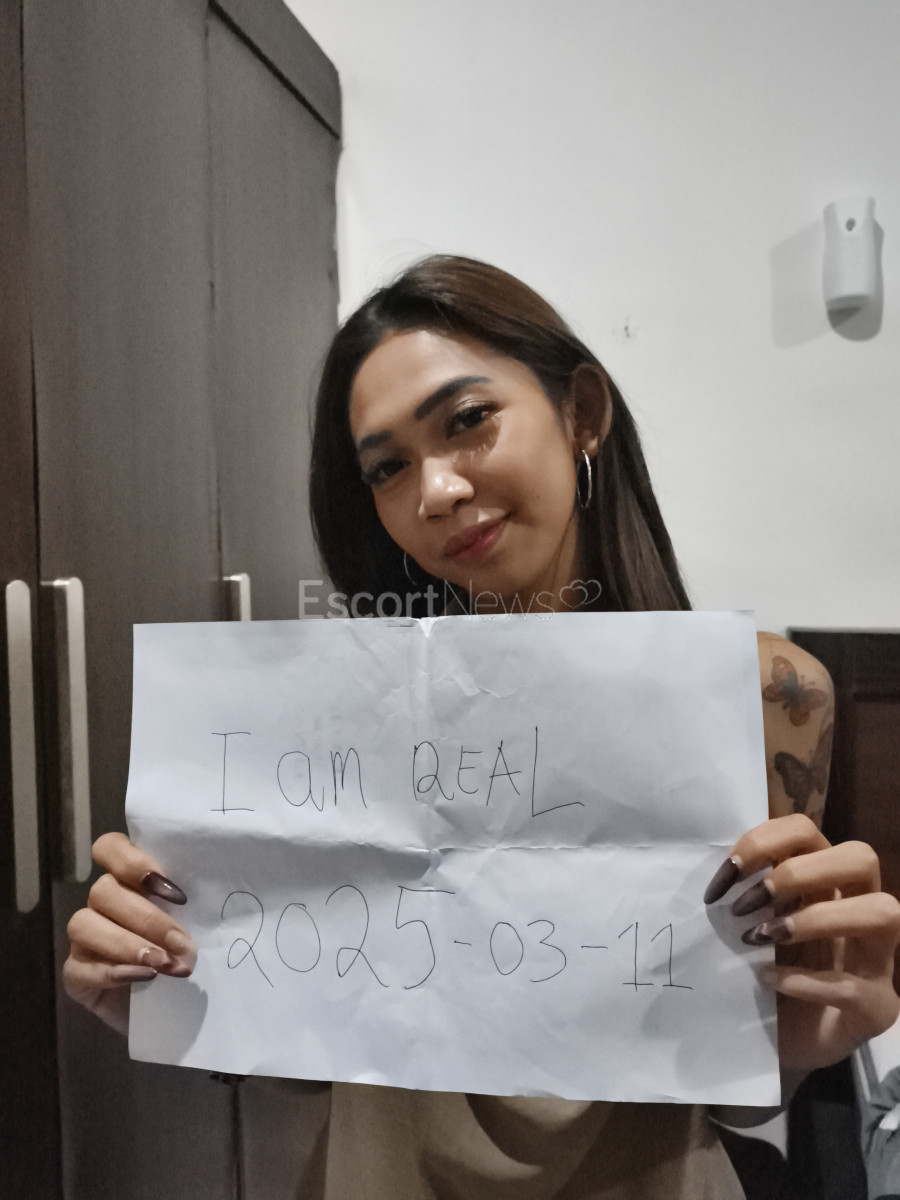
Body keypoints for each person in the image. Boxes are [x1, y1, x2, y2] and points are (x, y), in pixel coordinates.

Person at [65, 255, 900, 1198]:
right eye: (388, 468)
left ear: (583, 413)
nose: (435, 491)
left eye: (467, 420)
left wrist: (804, 1041)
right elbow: (314, 1052)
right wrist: (167, 992)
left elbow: (731, 1086)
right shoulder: (328, 726)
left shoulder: (768, 696)